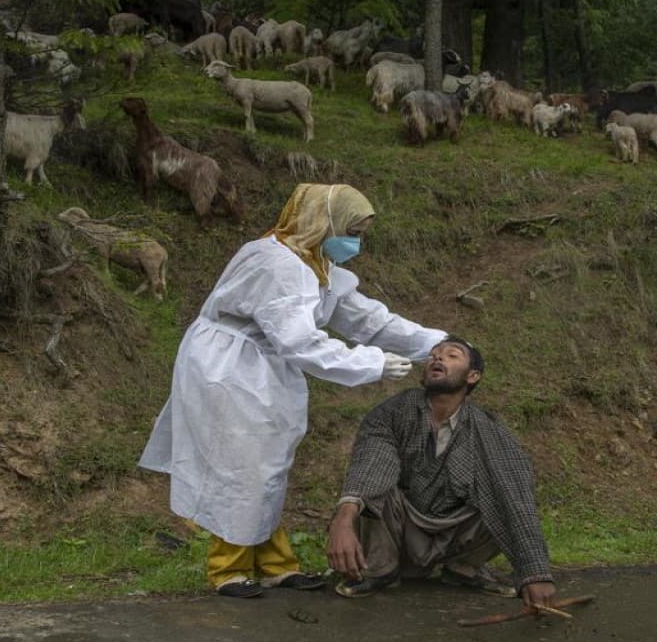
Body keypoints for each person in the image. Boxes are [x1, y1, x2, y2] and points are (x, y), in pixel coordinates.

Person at [139, 183, 447, 598]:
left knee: (268, 464)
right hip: (230, 366)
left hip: (264, 365)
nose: (355, 242)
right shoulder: (277, 264)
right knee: (241, 463)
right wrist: (371, 363)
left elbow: (370, 320)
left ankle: (275, 564)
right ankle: (228, 569)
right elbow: (299, 341)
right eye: (351, 230)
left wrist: (438, 342)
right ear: (325, 222)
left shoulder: (316, 263)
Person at [326, 337, 557, 610]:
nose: (437, 359)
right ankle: (379, 569)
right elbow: (372, 464)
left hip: (455, 533)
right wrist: (343, 519)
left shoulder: (488, 428)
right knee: (371, 494)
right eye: (434, 355)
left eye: (451, 355)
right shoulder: (393, 411)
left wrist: (536, 573)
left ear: (473, 376)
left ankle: (462, 569)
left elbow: (515, 497)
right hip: (401, 529)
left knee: (504, 493)